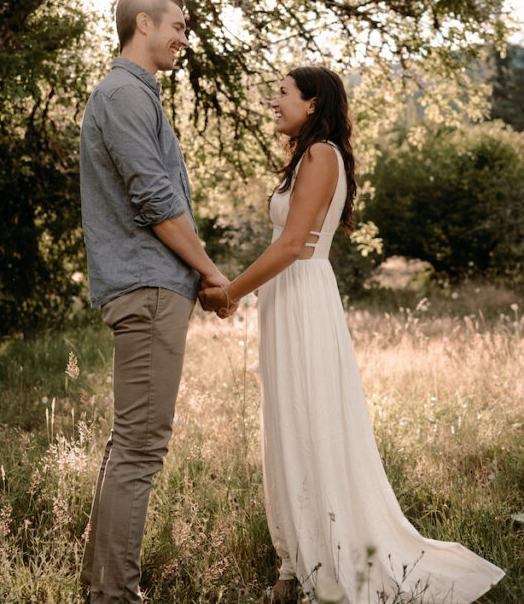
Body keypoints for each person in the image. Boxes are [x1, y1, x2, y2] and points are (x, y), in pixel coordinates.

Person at [200, 65, 505, 604]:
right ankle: (295, 558)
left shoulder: (321, 156)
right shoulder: (308, 157)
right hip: (288, 300)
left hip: (303, 300)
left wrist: (229, 295)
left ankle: (326, 555)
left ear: (313, 103)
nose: (274, 102)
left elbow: (294, 244)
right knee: (290, 420)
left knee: (309, 419)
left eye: (283, 93)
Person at [79, 0, 232, 604]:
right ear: (143, 23)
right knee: (141, 448)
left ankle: (101, 588)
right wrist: (210, 272)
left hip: (152, 288)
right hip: (147, 290)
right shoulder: (122, 95)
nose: (184, 38)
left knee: (130, 445)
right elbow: (154, 200)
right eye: (178, 26)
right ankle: (117, 595)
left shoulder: (136, 96)